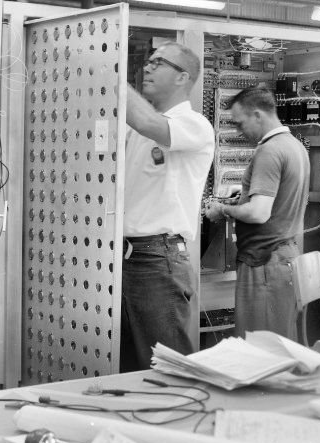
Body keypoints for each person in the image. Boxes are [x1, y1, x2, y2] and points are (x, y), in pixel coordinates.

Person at [121, 42, 215, 372]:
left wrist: (110, 72)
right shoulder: (137, 129)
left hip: (157, 259)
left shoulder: (194, 125)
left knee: (167, 364)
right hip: (126, 256)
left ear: (182, 77)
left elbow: (148, 123)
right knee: (130, 365)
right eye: (148, 61)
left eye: (158, 62)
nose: (147, 67)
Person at [204, 86, 309, 341]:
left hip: (264, 265)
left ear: (258, 115)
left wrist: (222, 209)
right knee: (280, 342)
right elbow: (279, 199)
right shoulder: (295, 146)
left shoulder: (269, 151)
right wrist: (244, 196)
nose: (239, 132)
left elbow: (259, 213)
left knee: (260, 346)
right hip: (284, 258)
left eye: (240, 124)